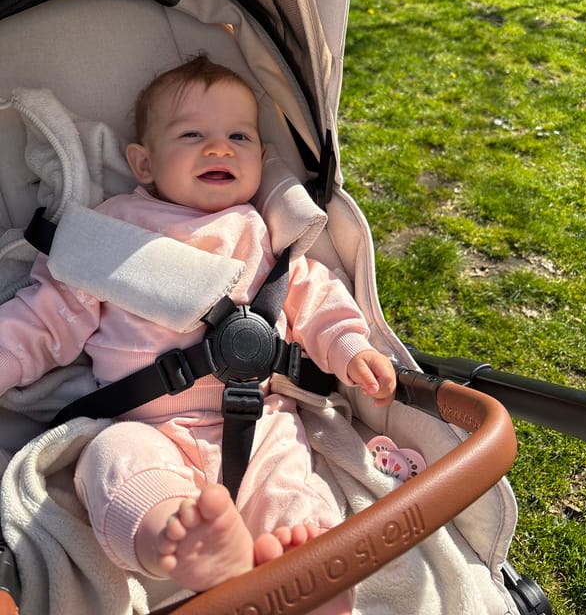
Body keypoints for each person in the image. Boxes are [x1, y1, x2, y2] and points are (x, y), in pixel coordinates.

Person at [0, 55, 397, 613]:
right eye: (192, 135)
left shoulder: (261, 233)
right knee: (113, 460)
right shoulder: (113, 232)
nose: (219, 148)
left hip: (263, 424)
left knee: (291, 490)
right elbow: (46, 318)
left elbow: (316, 297)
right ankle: (176, 541)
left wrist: (350, 347)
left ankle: (309, 578)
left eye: (239, 135)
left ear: (261, 158)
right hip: (148, 425)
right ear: (142, 162)